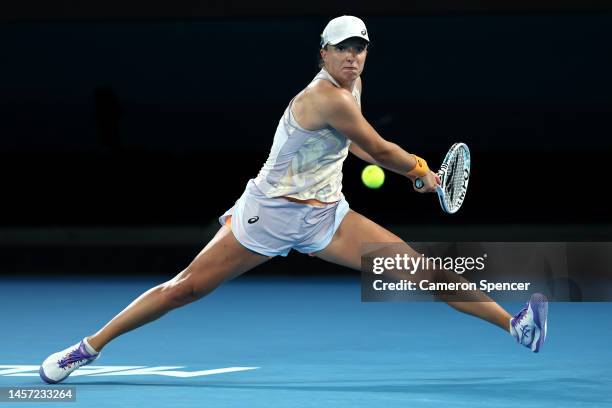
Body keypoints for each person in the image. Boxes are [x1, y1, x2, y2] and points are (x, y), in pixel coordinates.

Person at [39, 15, 548, 384]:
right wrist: (421, 171)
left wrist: (406, 173)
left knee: (416, 269)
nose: (352, 57)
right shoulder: (324, 95)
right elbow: (377, 147)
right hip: (271, 213)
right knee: (184, 289)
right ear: (322, 53)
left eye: (360, 48)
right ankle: (87, 348)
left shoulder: (354, 84)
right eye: (342, 49)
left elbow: (351, 148)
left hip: (327, 214)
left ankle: (515, 326)